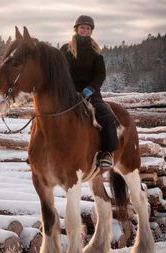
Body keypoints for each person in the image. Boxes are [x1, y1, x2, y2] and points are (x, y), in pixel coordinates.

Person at [60, 15, 119, 168]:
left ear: (91, 31)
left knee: (106, 114)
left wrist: (89, 89)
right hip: (68, 91)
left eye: (88, 28)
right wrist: (69, 89)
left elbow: (101, 75)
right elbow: (61, 72)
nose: (85, 30)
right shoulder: (65, 49)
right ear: (76, 29)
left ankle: (107, 152)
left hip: (90, 92)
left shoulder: (96, 52)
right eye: (82, 27)